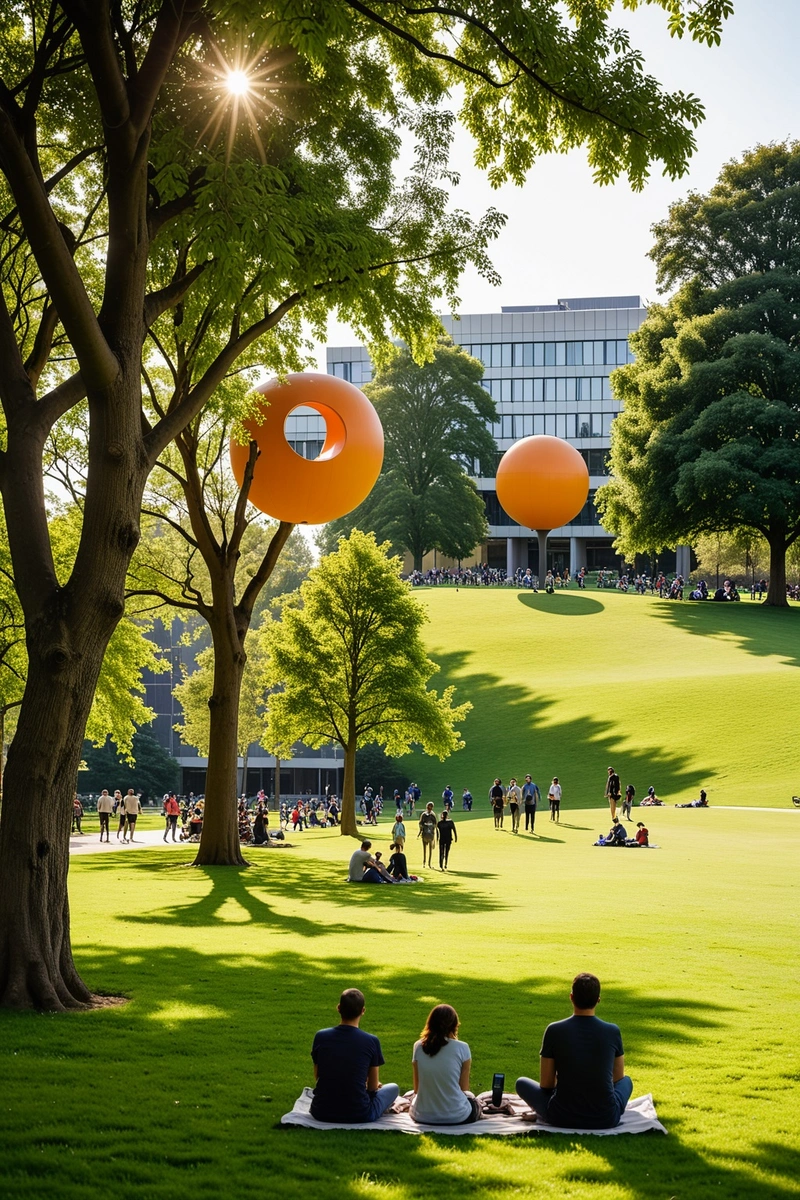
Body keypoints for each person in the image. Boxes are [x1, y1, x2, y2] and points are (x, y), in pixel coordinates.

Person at [516, 972, 633, 1129]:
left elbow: (546, 1084)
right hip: (605, 1117)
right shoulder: (612, 1031)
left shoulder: (554, 1030)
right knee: (626, 1082)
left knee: (521, 1083)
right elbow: (617, 1079)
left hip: (560, 1116)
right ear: (598, 1000)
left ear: (571, 997)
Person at [310, 989, 400, 1123]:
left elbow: (318, 1076)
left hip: (321, 1110)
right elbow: (373, 1087)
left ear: (339, 1008)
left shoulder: (321, 1036)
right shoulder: (371, 1041)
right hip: (359, 1113)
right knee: (393, 1088)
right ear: (363, 1011)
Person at [410, 1004, 480, 1125]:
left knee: (410, 1095)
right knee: (475, 1102)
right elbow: (464, 1089)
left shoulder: (418, 1047)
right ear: (454, 1025)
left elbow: (417, 1089)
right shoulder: (462, 1048)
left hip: (422, 1115)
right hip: (457, 1116)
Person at [418, 803, 437, 868]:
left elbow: (435, 824)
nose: (430, 808)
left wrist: (431, 827)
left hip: (431, 834)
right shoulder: (423, 814)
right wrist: (422, 828)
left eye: (431, 807)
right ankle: (424, 862)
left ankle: (429, 863)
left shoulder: (433, 815)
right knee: (424, 849)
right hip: (425, 834)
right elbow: (420, 823)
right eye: (429, 807)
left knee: (430, 849)